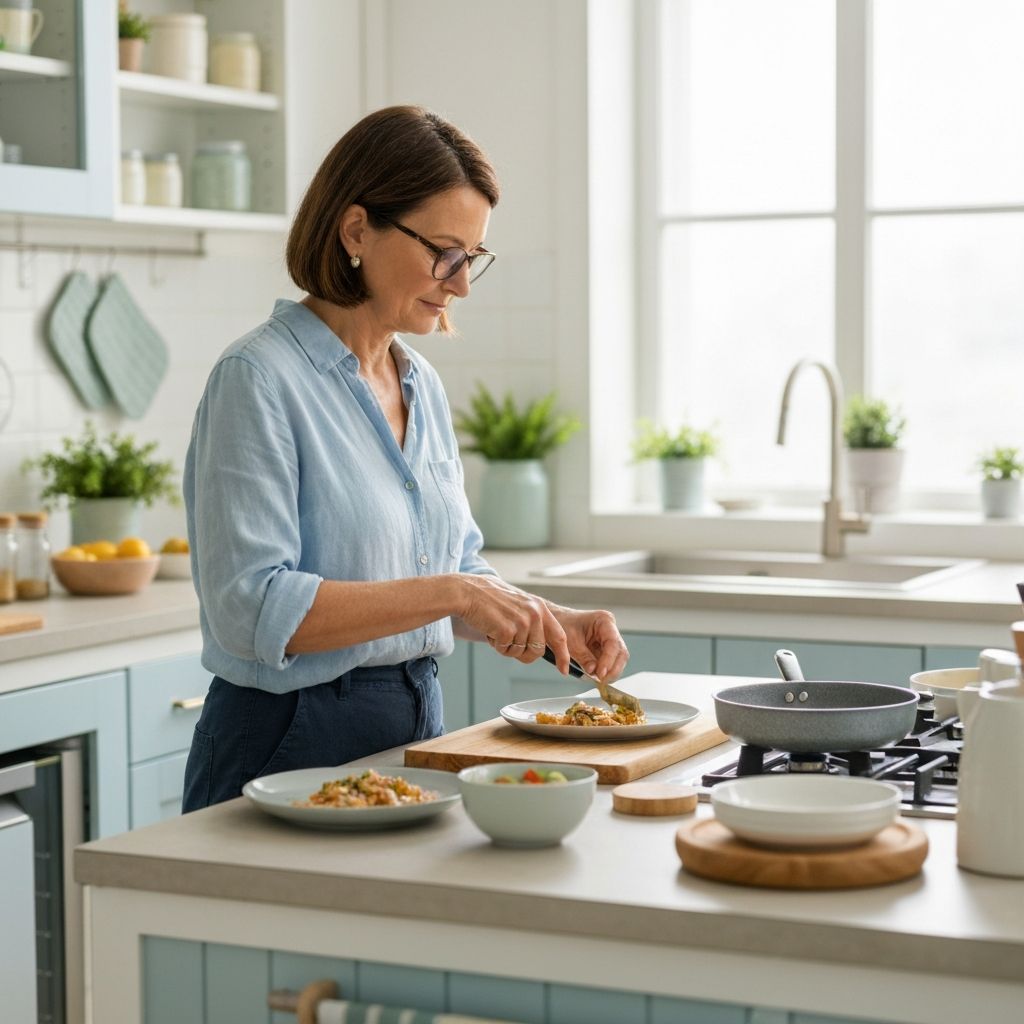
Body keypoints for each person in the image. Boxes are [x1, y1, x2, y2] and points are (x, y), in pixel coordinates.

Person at [181, 105, 629, 812]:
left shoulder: (420, 381)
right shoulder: (258, 378)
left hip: (413, 724)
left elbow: (448, 566)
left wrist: (543, 619)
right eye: (444, 252)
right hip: (286, 736)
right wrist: (456, 592)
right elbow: (251, 608)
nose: (461, 284)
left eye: (472, 257)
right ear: (356, 229)